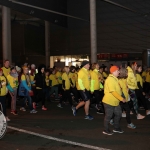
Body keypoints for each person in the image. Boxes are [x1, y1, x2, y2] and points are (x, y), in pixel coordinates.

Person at [102, 66, 126, 135]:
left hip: (115, 102)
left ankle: (116, 128)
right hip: (109, 102)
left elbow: (118, 90)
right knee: (108, 116)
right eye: (117, 71)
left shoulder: (115, 79)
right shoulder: (110, 80)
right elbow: (113, 91)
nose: (119, 72)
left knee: (118, 114)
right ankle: (106, 130)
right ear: (113, 72)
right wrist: (121, 98)